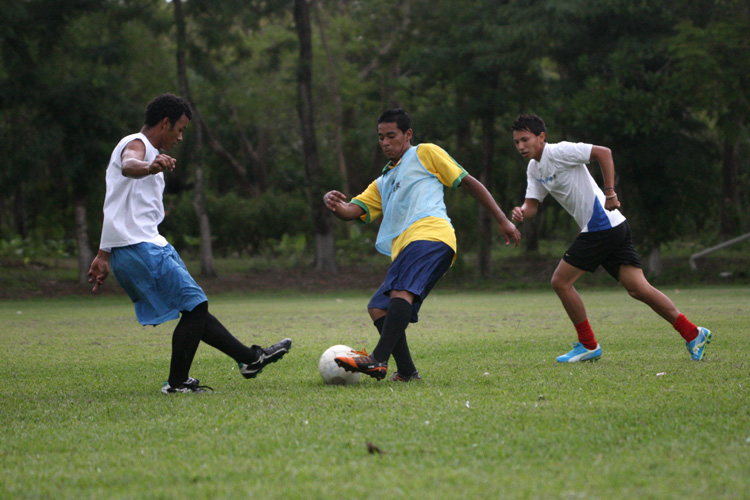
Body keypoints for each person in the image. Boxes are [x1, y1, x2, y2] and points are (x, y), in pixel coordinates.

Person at [87, 93, 291, 393]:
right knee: (195, 307)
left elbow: (116, 203)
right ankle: (179, 382)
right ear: (165, 122)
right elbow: (130, 165)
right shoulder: (138, 145)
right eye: (179, 129)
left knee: (194, 307)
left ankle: (250, 359)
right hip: (141, 248)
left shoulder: (145, 149)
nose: (181, 137)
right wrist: (151, 166)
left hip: (140, 246)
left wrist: (103, 254)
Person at [323, 108, 521, 381]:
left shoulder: (424, 153)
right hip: (408, 248)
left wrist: (502, 219)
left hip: (431, 235)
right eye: (380, 137)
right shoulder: (383, 182)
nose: (385, 142)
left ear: (408, 135)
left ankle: (376, 360)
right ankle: (406, 372)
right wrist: (335, 205)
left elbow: (469, 182)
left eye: (391, 136)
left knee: (400, 294)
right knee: (378, 306)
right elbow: (351, 212)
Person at [509, 113, 712, 363]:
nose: (520, 146)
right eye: (517, 141)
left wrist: (610, 192)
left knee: (560, 282)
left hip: (602, 225)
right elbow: (532, 205)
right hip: (613, 227)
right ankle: (693, 333)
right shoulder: (534, 168)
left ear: (541, 137)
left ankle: (588, 344)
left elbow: (604, 152)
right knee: (639, 289)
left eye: (525, 139)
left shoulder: (560, 151)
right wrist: (521, 212)